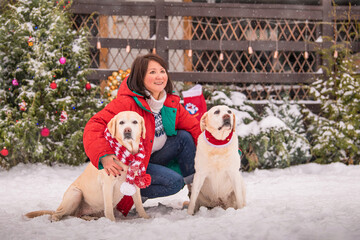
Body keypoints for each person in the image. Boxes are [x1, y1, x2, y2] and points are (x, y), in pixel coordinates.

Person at [83, 53, 201, 216]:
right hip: (133, 163)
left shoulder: (169, 102)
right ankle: (130, 193)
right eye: (152, 72)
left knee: (184, 137)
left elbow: (195, 128)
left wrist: (222, 146)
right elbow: (94, 125)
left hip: (154, 155)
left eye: (162, 71)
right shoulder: (127, 103)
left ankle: (197, 194)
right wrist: (104, 155)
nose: (159, 76)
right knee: (173, 183)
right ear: (140, 77)